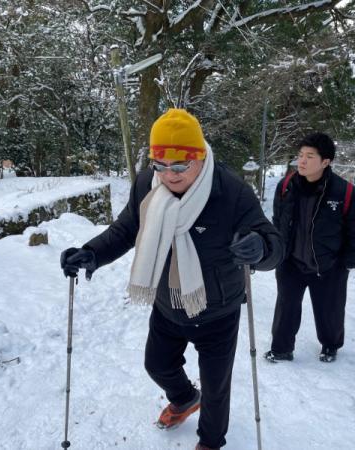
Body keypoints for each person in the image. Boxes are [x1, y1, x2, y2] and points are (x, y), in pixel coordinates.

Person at [60, 109, 284, 450]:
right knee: (157, 365)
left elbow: (274, 244)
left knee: (215, 387)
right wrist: (92, 252)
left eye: (180, 166)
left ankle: (210, 442)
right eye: (160, 164)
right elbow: (127, 228)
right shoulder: (146, 184)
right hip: (168, 302)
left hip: (217, 309)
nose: (169, 175)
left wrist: (261, 247)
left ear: (200, 156)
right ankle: (184, 398)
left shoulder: (231, 191)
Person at [264, 132, 355, 364]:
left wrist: (349, 261)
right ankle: (281, 349)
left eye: (310, 156)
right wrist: (277, 249)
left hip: (328, 265)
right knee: (286, 307)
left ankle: (331, 345)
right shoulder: (286, 186)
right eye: (300, 154)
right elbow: (278, 221)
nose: (301, 161)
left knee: (330, 309)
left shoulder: (346, 194)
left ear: (325, 162)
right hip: (291, 262)